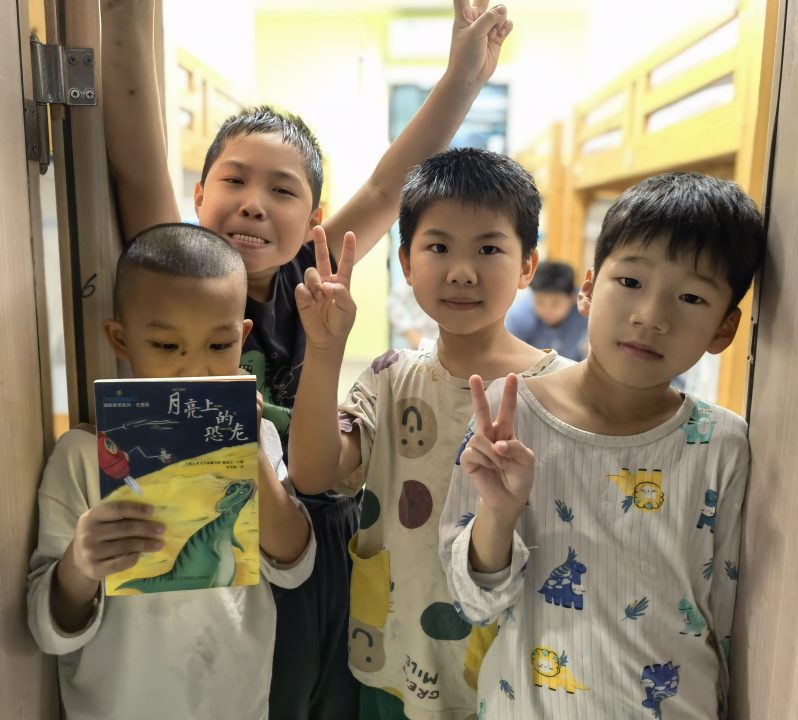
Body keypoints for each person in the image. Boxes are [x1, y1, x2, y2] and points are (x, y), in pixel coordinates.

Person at [99, 3, 514, 717]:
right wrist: (126, 15)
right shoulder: (174, 276)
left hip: (323, 525)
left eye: (283, 190)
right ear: (198, 196)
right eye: (234, 182)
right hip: (218, 525)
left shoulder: (312, 278)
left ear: (314, 219)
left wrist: (462, 79)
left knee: (324, 694)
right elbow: (136, 165)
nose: (254, 205)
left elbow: (386, 187)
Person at [440, 172, 766, 719]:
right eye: (631, 281)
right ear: (588, 290)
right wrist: (498, 513)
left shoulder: (722, 445)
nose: (651, 316)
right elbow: (472, 604)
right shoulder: (510, 414)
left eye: (691, 297)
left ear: (723, 329)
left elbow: (728, 624)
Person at [289, 148, 575, 719]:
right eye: (439, 247)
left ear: (527, 266)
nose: (461, 271)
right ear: (406, 263)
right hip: (395, 663)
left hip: (513, 682)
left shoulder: (563, 391)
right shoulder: (390, 378)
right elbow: (313, 473)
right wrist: (324, 349)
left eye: (489, 249)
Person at [27, 225, 316, 720]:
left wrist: (250, 450)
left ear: (242, 337)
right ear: (121, 339)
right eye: (165, 346)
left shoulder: (260, 436)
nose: (194, 370)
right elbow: (48, 628)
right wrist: (80, 564)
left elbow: (294, 567)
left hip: (234, 703)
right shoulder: (80, 456)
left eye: (219, 345)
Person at [506, 260, 589, 361]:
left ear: (572, 297)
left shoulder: (585, 309)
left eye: (555, 303)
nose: (547, 310)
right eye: (540, 302)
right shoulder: (520, 315)